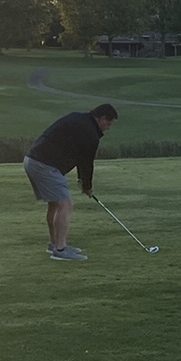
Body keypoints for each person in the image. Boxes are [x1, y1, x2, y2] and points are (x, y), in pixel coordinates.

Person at [24, 102, 118, 261]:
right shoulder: (90, 133)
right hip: (44, 165)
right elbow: (87, 163)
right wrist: (87, 186)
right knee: (65, 204)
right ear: (102, 118)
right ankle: (60, 250)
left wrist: (83, 181)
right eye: (108, 123)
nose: (108, 128)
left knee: (55, 204)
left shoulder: (78, 118)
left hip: (32, 160)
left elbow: (81, 158)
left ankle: (55, 244)